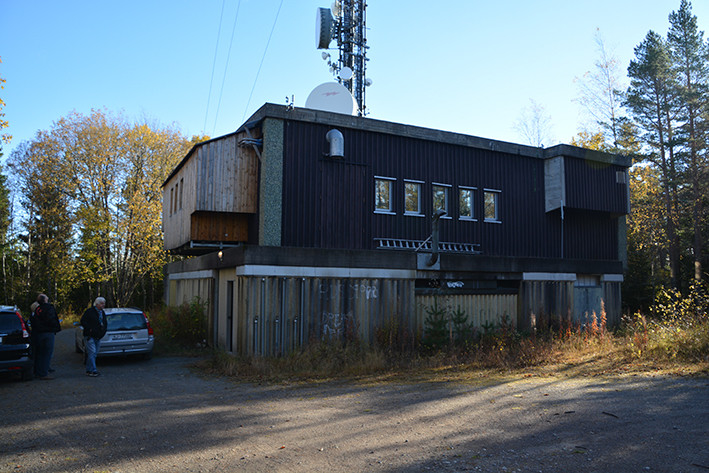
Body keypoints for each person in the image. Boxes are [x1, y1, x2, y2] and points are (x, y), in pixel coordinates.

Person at [31, 294, 61, 380]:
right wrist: (55, 327)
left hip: (38, 333)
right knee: (47, 353)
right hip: (47, 332)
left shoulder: (37, 310)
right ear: (45, 300)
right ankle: (43, 373)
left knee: (40, 353)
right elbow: (51, 319)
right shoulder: (48, 308)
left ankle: (39, 371)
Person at [80, 297, 108, 377]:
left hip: (98, 336)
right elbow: (83, 321)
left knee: (94, 353)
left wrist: (103, 331)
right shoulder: (89, 312)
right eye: (102, 303)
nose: (103, 305)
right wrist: (90, 329)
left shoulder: (102, 313)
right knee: (92, 352)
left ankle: (89, 370)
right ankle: (93, 370)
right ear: (97, 304)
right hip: (90, 336)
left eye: (104, 303)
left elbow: (105, 323)